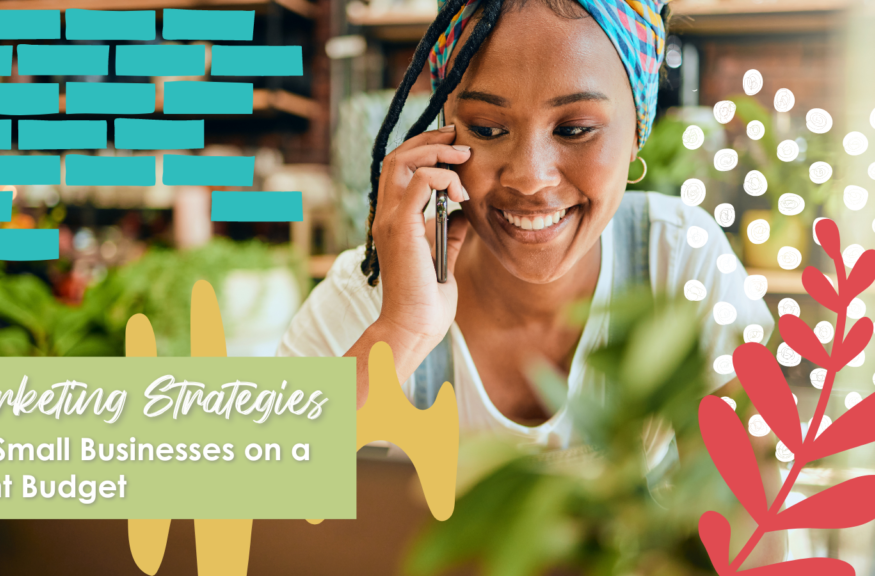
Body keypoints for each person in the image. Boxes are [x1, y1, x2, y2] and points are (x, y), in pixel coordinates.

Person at [280, 0, 785, 564]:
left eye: (575, 129)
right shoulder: (369, 295)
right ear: (441, 129)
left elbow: (756, 527)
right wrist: (404, 327)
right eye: (488, 128)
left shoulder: (679, 260)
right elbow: (242, 506)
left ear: (638, 130)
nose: (530, 176)